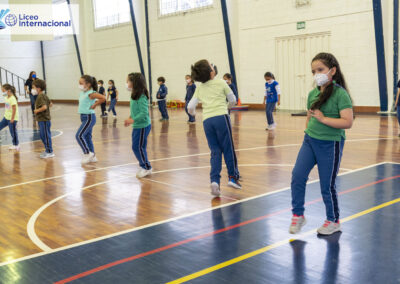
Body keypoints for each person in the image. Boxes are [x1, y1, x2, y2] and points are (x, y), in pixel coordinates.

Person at [289, 52, 354, 236]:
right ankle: (298, 214)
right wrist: (307, 131)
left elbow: (347, 122)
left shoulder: (341, 95)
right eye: (313, 71)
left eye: (320, 70)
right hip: (310, 141)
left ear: (332, 71)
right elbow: (309, 117)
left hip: (330, 145)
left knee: (327, 185)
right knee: (297, 176)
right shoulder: (312, 94)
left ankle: (333, 220)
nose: (316, 74)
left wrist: (324, 119)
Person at [188, 59, 241, 197]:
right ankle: (232, 177)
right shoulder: (221, 83)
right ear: (211, 72)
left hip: (207, 121)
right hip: (221, 117)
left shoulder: (199, 88)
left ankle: (215, 181)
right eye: (211, 65)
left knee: (215, 151)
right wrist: (227, 108)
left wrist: (194, 114)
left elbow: (190, 107)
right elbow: (233, 100)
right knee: (228, 148)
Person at [124, 72, 152, 178]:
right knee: (139, 147)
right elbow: (135, 110)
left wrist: (133, 120)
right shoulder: (134, 94)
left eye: (128, 81)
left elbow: (144, 112)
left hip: (143, 126)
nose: (126, 83)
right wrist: (131, 118)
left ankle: (146, 167)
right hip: (137, 126)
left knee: (137, 147)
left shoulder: (141, 96)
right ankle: (144, 165)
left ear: (134, 82)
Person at [76, 75, 106, 164]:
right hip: (83, 117)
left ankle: (87, 153)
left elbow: (103, 98)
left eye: (81, 83)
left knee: (79, 135)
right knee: (87, 136)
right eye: (79, 83)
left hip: (89, 117)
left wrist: (95, 104)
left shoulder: (91, 93)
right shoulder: (82, 93)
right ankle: (93, 156)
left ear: (88, 84)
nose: (79, 85)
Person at [33, 79, 54, 159]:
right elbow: (50, 104)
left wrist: (36, 110)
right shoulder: (43, 95)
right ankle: (47, 150)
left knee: (45, 136)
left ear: (38, 88)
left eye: (33, 87)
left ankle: (50, 151)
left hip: (44, 120)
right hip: (42, 120)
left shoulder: (41, 96)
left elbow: (45, 107)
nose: (32, 89)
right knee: (43, 136)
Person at [0, 84, 19, 150]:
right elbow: (8, 108)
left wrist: (12, 118)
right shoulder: (6, 97)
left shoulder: (12, 98)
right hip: (6, 117)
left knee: (13, 132)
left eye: (4, 90)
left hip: (12, 118)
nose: (3, 92)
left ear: (9, 91)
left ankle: (16, 145)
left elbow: (14, 109)